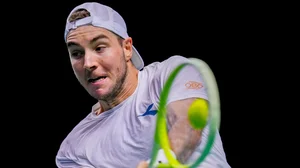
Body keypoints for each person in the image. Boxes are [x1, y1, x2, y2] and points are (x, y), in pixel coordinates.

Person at [56, 2, 231, 168]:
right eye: (77, 53)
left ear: (127, 48)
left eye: (99, 47)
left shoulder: (172, 72)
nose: (88, 63)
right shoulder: (72, 151)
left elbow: (188, 125)